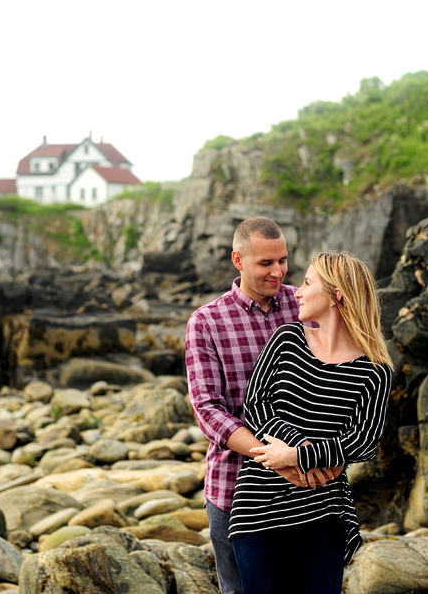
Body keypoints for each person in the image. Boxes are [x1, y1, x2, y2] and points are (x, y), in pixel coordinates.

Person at [186, 217, 339, 594]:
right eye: (265, 263)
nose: (279, 271)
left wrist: (322, 456)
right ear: (238, 260)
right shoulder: (206, 322)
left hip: (310, 485)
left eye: (283, 261)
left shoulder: (304, 303)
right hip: (235, 488)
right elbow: (208, 411)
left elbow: (337, 381)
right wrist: (277, 457)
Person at [228, 251, 394, 594]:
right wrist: (298, 452)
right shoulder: (286, 341)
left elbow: (363, 441)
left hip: (322, 509)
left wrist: (298, 458)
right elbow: (255, 406)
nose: (296, 292)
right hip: (258, 504)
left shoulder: (375, 371)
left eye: (306, 283)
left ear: (337, 295)